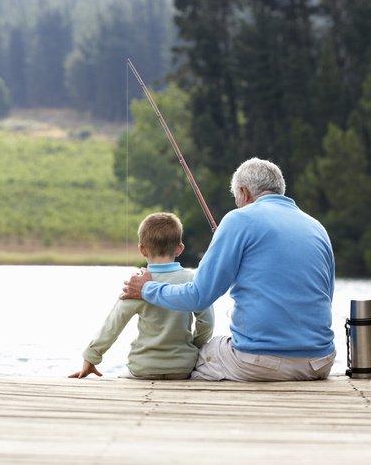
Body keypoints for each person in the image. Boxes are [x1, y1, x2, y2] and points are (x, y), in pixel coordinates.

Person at [120, 158, 336, 382]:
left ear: (243, 192)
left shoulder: (239, 219)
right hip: (320, 362)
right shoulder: (317, 227)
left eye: (236, 200)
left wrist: (147, 289)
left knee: (195, 357)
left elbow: (198, 297)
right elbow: (325, 298)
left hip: (261, 363)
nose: (237, 206)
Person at [69, 212, 214, 380]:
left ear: (142, 249)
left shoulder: (136, 284)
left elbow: (114, 323)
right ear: (180, 248)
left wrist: (91, 357)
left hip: (144, 367)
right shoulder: (192, 280)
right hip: (182, 368)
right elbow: (207, 323)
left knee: (120, 380)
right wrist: (192, 348)